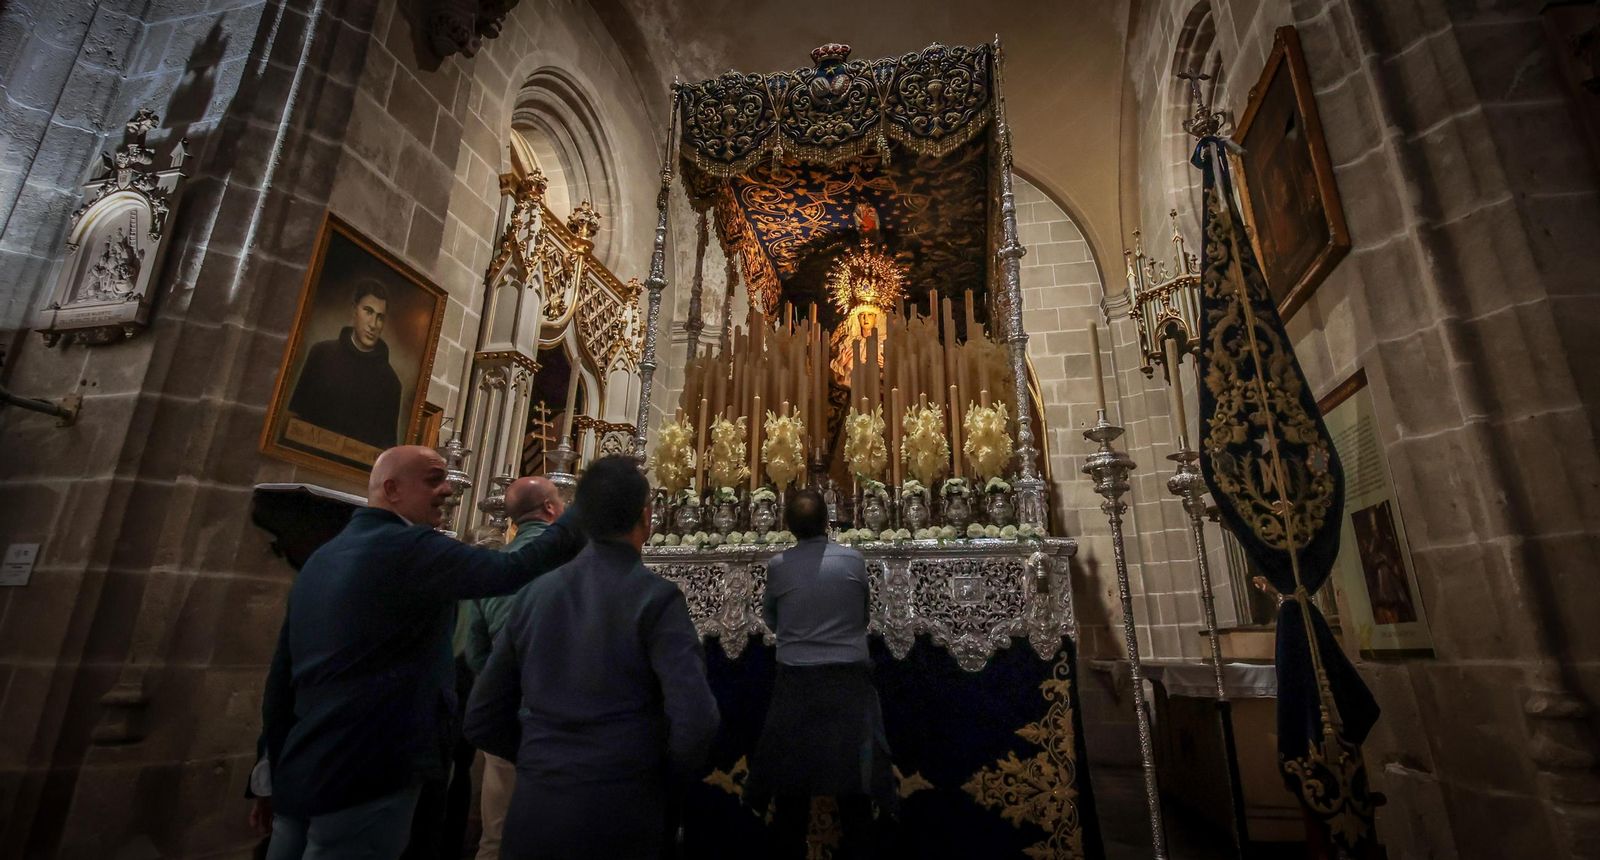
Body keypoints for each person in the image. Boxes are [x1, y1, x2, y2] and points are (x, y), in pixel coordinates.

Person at [259, 445, 586, 860]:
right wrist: (584, 507)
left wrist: (267, 770)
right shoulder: (410, 547)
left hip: (304, 767)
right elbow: (513, 570)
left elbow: (281, 675)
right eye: (434, 480)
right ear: (391, 489)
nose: (448, 489)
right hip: (372, 768)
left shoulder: (322, 558)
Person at [464, 456, 720, 860]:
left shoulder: (535, 593)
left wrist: (542, 761)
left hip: (536, 812)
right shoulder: (656, 598)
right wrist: (655, 779)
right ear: (647, 517)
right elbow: (696, 719)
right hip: (620, 815)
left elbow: (481, 714)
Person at [745, 489, 895, 859]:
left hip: (796, 685)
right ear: (828, 521)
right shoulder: (853, 561)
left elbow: (771, 619)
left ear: (788, 525)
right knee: (854, 794)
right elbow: (862, 616)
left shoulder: (780, 565)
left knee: (791, 794)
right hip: (848, 685)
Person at [465, 476, 565, 860]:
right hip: (556, 716)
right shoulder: (567, 564)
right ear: (552, 510)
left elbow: (475, 648)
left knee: (496, 835)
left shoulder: (491, 564)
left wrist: (497, 684)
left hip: (502, 712)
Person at [288, 278, 404, 450]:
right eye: (368, 311)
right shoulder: (321, 353)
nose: (373, 324)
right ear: (354, 310)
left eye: (380, 317)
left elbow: (384, 452)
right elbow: (295, 418)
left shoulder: (391, 383)